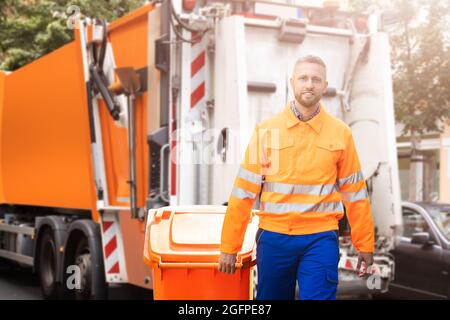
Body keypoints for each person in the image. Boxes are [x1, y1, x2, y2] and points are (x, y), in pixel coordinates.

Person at [218, 55, 375, 300]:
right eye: (303, 78)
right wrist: (229, 246)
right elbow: (243, 192)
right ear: (292, 82)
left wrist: (364, 244)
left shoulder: (340, 133)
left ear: (325, 86)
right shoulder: (268, 131)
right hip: (274, 237)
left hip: (320, 238)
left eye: (316, 79)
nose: (309, 84)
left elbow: (355, 193)